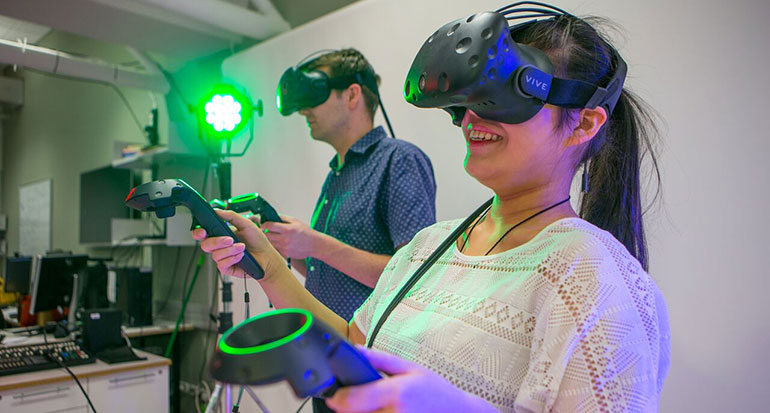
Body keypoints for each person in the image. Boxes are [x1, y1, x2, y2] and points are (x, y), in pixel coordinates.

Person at [194, 8, 670, 412]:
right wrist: (270, 265)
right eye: (468, 99)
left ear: (584, 122)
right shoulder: (429, 246)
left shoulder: (595, 281)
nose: (472, 116)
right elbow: (353, 344)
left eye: (504, 96)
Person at [264, 48, 437, 322]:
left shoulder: (399, 160)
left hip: (371, 353)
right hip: (330, 345)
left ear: (353, 94)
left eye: (315, 93)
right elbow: (332, 276)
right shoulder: (337, 173)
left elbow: (413, 274)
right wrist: (284, 243)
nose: (304, 110)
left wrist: (315, 244)